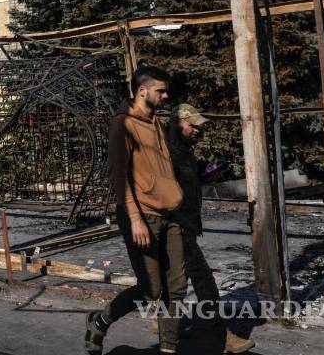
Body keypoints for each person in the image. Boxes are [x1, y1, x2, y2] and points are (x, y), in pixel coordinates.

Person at [85, 66, 186, 355]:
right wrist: (134, 219)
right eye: (161, 91)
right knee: (150, 289)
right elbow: (119, 176)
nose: (166, 96)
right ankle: (100, 321)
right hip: (143, 217)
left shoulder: (155, 121)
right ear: (142, 91)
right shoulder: (124, 124)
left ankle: (169, 348)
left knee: (176, 288)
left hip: (172, 215)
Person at [167, 104, 255, 354]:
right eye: (191, 125)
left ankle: (167, 326)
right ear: (177, 123)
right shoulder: (167, 151)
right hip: (176, 226)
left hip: (185, 225)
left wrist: (213, 169)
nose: (197, 130)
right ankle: (222, 336)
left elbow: (190, 178)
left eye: (198, 125)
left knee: (174, 280)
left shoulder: (183, 150)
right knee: (203, 279)